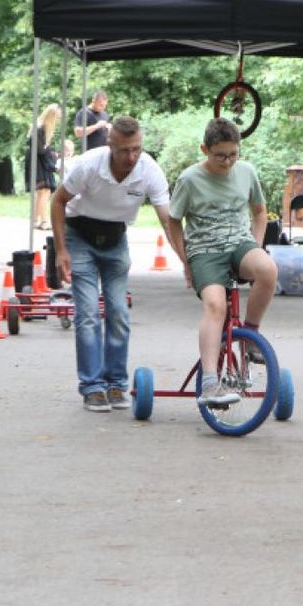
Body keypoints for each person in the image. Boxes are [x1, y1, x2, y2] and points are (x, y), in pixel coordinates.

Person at [52, 115, 180, 413]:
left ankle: (116, 384)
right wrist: (61, 250)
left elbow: (167, 219)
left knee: (118, 311)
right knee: (87, 314)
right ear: (111, 145)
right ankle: (92, 387)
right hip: (79, 234)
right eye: (124, 150)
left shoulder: (149, 170)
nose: (131, 156)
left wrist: (186, 260)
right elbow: (58, 201)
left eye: (136, 149)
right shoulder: (89, 164)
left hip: (115, 239)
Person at [166, 118, 278, 407]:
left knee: (268, 269)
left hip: (239, 243)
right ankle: (210, 382)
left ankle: (251, 333)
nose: (227, 162)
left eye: (233, 154)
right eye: (220, 155)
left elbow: (259, 211)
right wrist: (185, 258)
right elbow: (174, 221)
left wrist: (256, 245)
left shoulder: (247, 172)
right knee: (217, 305)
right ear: (205, 149)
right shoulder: (189, 180)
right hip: (204, 249)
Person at [27, 103, 63, 230]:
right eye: (57, 118)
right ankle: (44, 221)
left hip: (38, 161)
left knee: (42, 192)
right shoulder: (40, 129)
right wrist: (51, 154)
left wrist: (50, 151)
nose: (57, 121)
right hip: (38, 163)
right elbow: (40, 150)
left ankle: (36, 220)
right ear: (51, 117)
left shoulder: (39, 128)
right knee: (44, 192)